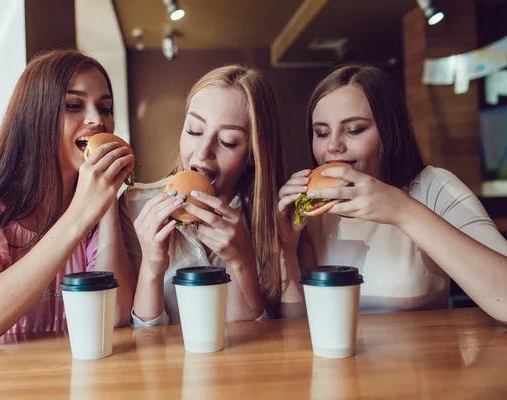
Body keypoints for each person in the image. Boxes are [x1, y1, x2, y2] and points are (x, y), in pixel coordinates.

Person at [0, 49, 136, 345]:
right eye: (73, 105)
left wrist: (107, 199)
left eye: (105, 108)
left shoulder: (94, 196)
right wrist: (81, 213)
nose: (96, 120)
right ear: (34, 115)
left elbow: (114, 314)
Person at [277, 65, 507, 321]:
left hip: (425, 359)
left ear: (390, 132)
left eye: (354, 130)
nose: (332, 146)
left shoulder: (433, 187)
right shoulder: (312, 210)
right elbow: (298, 327)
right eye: (321, 133)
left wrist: (402, 210)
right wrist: (286, 248)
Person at [123, 65, 286, 325]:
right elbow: (144, 341)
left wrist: (241, 261)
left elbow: (253, 343)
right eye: (194, 131)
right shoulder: (134, 206)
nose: (202, 152)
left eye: (228, 141)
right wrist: (152, 267)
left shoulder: (273, 218)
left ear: (254, 154)